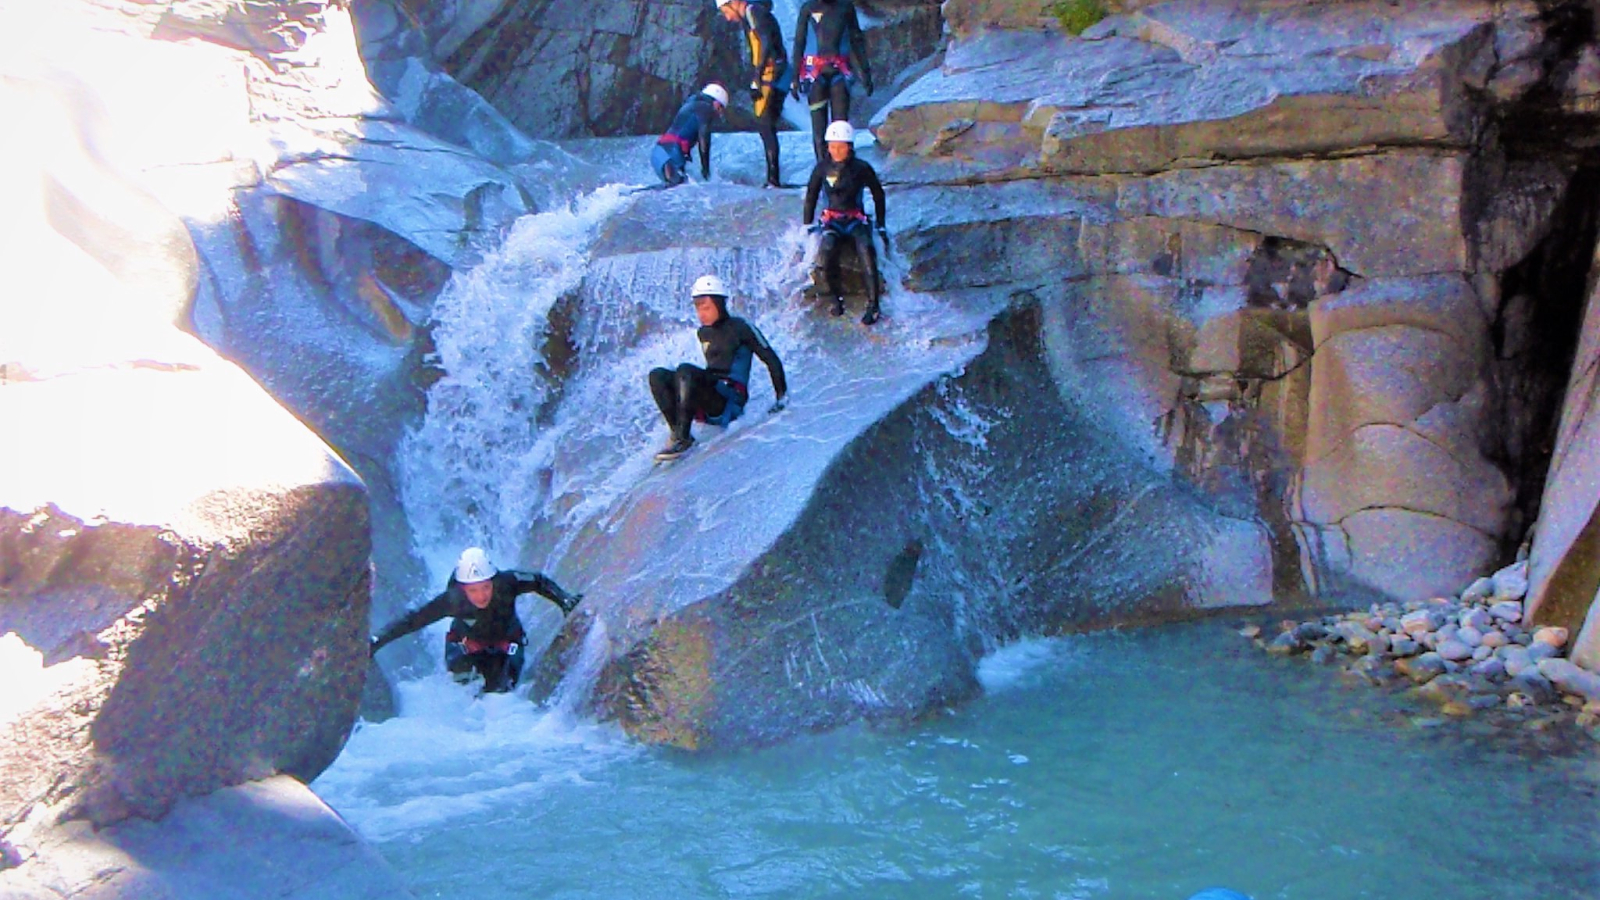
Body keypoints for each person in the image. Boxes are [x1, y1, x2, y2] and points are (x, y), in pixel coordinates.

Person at [369, 547, 582, 693]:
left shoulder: (506, 582)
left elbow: (538, 581)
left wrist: (565, 600)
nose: (482, 596)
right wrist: (377, 641)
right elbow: (412, 621)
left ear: (493, 581)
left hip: (507, 642)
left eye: (486, 587)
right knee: (463, 683)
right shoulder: (452, 600)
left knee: (503, 690)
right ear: (463, 588)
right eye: (473, 590)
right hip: (466, 645)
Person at [648, 274, 788, 460]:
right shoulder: (703, 332)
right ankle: (679, 433)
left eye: (706, 308)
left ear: (720, 304)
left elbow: (771, 359)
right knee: (657, 375)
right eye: (698, 309)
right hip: (710, 397)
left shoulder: (741, 327)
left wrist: (781, 398)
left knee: (685, 370)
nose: (701, 314)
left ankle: (682, 440)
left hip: (730, 400)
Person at [802, 121, 887, 325]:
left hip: (856, 219)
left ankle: (873, 305)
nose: (836, 151)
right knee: (827, 251)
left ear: (850, 146)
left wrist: (881, 224)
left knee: (866, 250)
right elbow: (811, 196)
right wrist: (806, 225)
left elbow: (878, 194)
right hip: (832, 220)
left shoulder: (861, 168)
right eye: (832, 146)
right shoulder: (822, 168)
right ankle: (835, 298)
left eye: (841, 146)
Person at [716, 0, 791, 188]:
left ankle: (773, 179)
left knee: (765, 123)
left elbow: (766, 43)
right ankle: (773, 177)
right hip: (773, 71)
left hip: (773, 72)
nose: (727, 17)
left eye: (726, 11)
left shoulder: (754, 12)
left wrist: (757, 77)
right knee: (766, 123)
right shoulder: (749, 17)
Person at [790, 0, 873, 161]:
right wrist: (794, 78)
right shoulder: (808, 7)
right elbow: (799, 42)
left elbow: (856, 39)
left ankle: (845, 171)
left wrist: (865, 73)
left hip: (837, 72)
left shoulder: (845, 7)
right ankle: (823, 173)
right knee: (819, 132)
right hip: (816, 73)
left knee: (841, 128)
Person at [652, 83, 729, 186]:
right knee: (679, 188)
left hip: (660, 153)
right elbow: (704, 140)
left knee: (676, 189)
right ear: (715, 102)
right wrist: (705, 170)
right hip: (671, 155)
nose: (719, 113)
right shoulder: (706, 108)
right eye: (720, 108)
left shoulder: (692, 103)